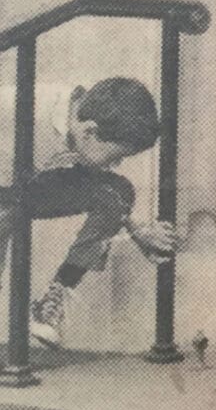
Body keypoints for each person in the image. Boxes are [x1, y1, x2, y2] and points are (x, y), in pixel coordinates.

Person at [0, 78, 180, 348]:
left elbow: (103, 187)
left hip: (19, 181)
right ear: (89, 133)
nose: (117, 163)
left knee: (117, 192)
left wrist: (137, 232)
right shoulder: (20, 115)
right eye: (116, 155)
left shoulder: (81, 112)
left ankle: (52, 300)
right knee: (5, 216)